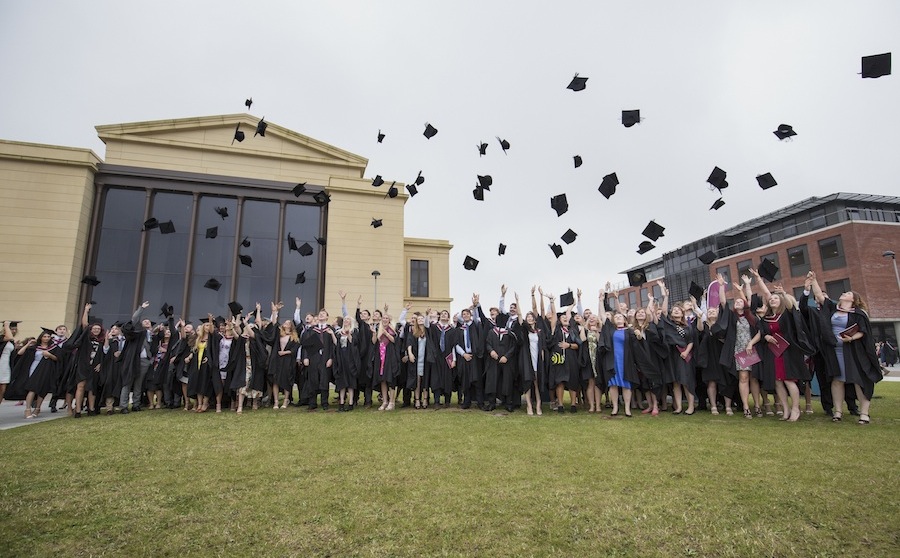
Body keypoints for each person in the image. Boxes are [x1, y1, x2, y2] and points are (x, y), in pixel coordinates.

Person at [809, 272, 882, 425]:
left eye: (847, 293)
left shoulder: (859, 313)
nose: (844, 293)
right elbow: (819, 296)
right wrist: (814, 280)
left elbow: (863, 331)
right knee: (837, 380)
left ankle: (864, 413)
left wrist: (851, 338)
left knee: (858, 381)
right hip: (835, 351)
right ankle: (837, 411)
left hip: (853, 352)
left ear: (853, 300)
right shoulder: (833, 309)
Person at [749, 291, 815, 422]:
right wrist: (766, 336)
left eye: (776, 298)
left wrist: (783, 293)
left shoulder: (786, 315)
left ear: (781, 301)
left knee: (789, 380)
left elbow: (791, 306)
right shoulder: (766, 319)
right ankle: (786, 410)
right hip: (773, 353)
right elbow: (762, 332)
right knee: (778, 382)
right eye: (771, 298)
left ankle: (795, 409)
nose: (773, 300)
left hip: (788, 352)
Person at [545, 293, 581, 413]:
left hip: (571, 358)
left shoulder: (573, 331)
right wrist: (551, 302)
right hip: (559, 358)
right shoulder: (556, 330)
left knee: (572, 381)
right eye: (563, 318)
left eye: (566, 318)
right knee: (559, 381)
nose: (565, 318)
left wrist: (569, 345)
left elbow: (577, 346)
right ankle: (560, 405)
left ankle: (573, 405)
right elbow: (554, 316)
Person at [515, 289, 547, 416]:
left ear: (534, 320)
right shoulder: (524, 330)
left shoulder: (539, 331)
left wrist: (543, 355)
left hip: (537, 359)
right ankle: (529, 406)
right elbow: (519, 316)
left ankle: (538, 404)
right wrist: (517, 301)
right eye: (527, 317)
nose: (528, 318)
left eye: (531, 317)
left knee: (537, 383)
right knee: (527, 382)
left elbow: (542, 345)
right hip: (527, 359)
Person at [15, 328, 60, 418]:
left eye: (48, 337)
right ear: (41, 337)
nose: (46, 338)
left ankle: (37, 408)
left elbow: (58, 359)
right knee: (32, 388)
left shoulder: (54, 347)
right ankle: (27, 410)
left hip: (46, 371)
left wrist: (49, 355)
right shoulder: (35, 347)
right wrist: (28, 344)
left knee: (42, 390)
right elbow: (20, 353)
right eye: (44, 336)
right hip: (34, 369)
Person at [372, 312, 400, 410]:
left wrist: (386, 333)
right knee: (382, 379)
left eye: (386, 318)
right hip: (380, 356)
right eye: (383, 318)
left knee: (390, 379)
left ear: (389, 320)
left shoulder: (392, 329)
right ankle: (385, 401)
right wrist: (375, 334)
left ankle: (392, 402)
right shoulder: (378, 329)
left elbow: (394, 340)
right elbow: (374, 342)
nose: (384, 319)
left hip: (390, 356)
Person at [0, 320, 19, 406]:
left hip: (6, 367)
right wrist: (6, 325)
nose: (14, 331)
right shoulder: (1, 338)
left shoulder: (11, 342)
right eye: (12, 329)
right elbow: (9, 337)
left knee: (2, 391)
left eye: (15, 329)